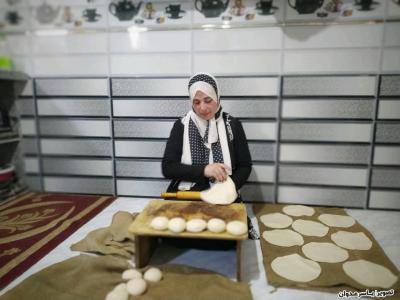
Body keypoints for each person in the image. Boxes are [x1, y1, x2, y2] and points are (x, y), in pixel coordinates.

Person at [162, 72, 252, 198]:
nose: (202, 108)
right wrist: (204, 170)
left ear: (217, 97)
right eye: (196, 102)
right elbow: (168, 168)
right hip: (187, 194)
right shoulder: (181, 125)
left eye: (208, 100)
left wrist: (230, 187)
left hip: (223, 192)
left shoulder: (232, 125)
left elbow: (245, 166)